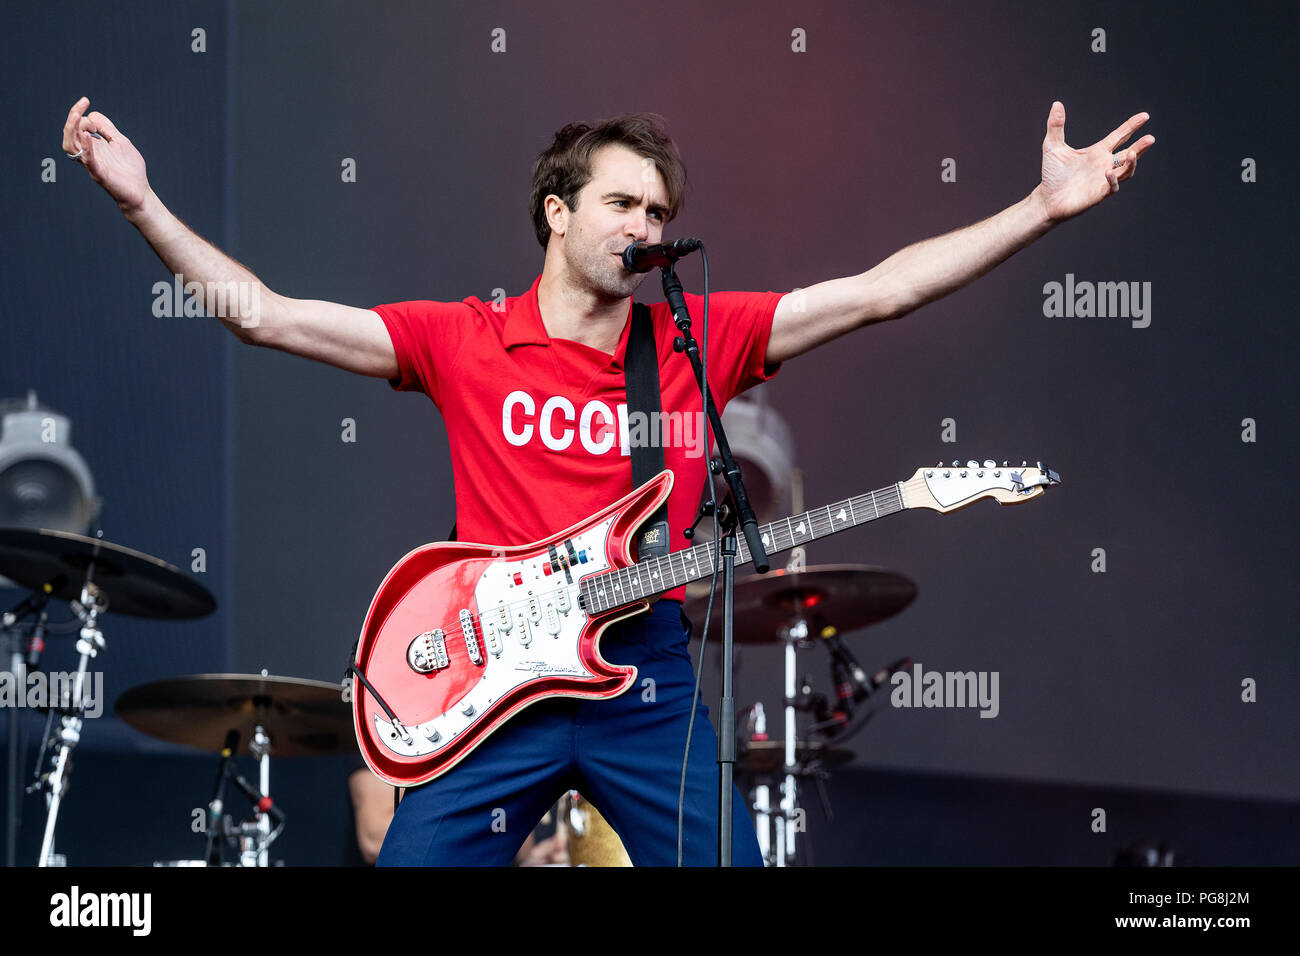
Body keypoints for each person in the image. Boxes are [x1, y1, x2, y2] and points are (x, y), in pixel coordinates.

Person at [59, 98, 1153, 866]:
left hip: (646, 676)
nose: (647, 228)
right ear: (557, 211)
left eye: (660, 213)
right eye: (624, 204)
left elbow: (877, 292)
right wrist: (142, 207)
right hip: (492, 688)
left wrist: (1040, 211)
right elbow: (270, 316)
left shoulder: (695, 332)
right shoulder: (465, 337)